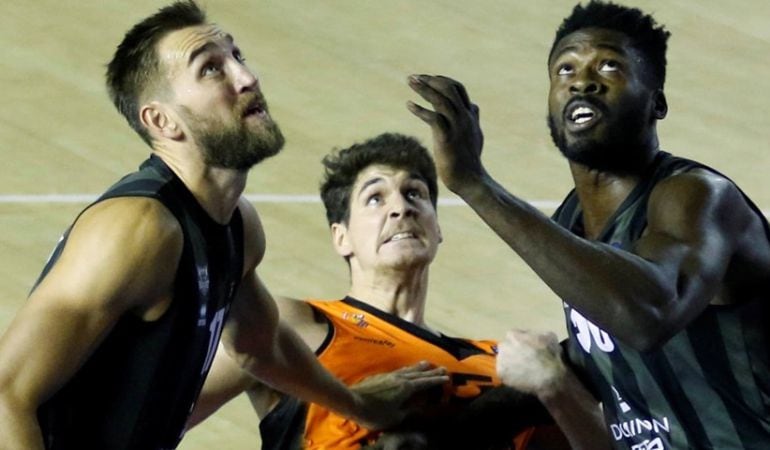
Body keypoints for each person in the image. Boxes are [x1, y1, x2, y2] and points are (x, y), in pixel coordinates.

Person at [0, 2, 449, 449]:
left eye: (237, 56)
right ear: (162, 120)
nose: (246, 77)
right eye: (211, 69)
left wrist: (357, 405)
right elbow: (6, 396)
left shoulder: (236, 225)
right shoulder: (139, 229)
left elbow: (260, 344)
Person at [407, 1, 770, 449]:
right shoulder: (572, 220)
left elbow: (648, 317)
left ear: (656, 102)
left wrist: (476, 184)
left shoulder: (697, 198)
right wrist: (444, 432)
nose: (582, 80)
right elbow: (603, 356)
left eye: (609, 66)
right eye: (565, 70)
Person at [188, 132, 608, 450]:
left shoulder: (510, 361)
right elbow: (162, 414)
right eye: (374, 198)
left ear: (437, 228)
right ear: (341, 237)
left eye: (415, 194)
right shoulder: (300, 324)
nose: (400, 207)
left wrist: (558, 388)